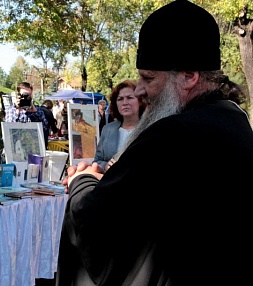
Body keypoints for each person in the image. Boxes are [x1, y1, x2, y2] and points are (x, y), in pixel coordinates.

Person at [56, 1, 253, 285]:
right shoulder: (232, 117)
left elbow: (97, 219)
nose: (138, 89)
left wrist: (82, 181)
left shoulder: (176, 133)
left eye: (148, 77)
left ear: (188, 76)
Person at [93, 79, 146, 171]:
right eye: (120, 99)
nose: (125, 103)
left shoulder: (150, 129)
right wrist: (106, 166)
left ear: (140, 101)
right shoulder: (107, 129)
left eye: (130, 97)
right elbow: (97, 161)